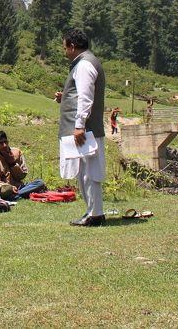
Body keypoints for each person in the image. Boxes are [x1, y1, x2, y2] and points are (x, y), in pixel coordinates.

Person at [57, 28, 107, 227]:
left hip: (86, 130)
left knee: (89, 171)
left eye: (65, 47)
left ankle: (95, 213)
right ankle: (92, 211)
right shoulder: (85, 62)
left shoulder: (84, 65)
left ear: (72, 46)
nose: (64, 51)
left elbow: (86, 98)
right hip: (87, 129)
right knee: (84, 171)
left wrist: (79, 126)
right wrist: (65, 98)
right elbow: (80, 95)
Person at [0, 130, 43, 198]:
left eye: (5, 142)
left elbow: (22, 175)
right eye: (1, 143)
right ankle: (21, 194)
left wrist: (13, 164)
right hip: (5, 189)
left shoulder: (17, 152)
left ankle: (16, 195)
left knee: (40, 183)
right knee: (2, 192)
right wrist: (10, 187)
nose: (4, 145)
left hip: (20, 187)